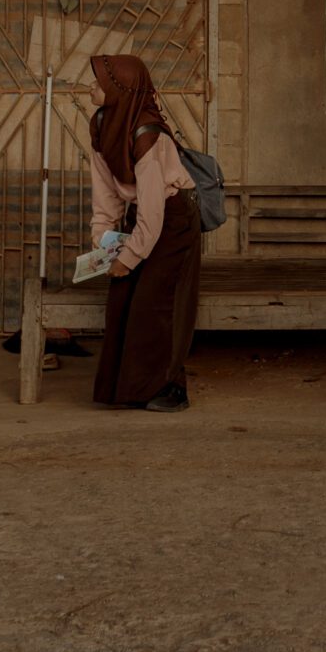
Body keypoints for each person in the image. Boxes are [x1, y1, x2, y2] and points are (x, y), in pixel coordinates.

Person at [85, 54, 202, 413]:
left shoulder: (147, 135)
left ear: (120, 89)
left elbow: (154, 214)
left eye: (100, 82)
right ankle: (125, 389)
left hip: (175, 218)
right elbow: (106, 194)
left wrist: (129, 257)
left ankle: (172, 388)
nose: (91, 87)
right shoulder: (103, 125)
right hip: (146, 220)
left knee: (157, 303)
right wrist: (103, 241)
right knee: (122, 299)